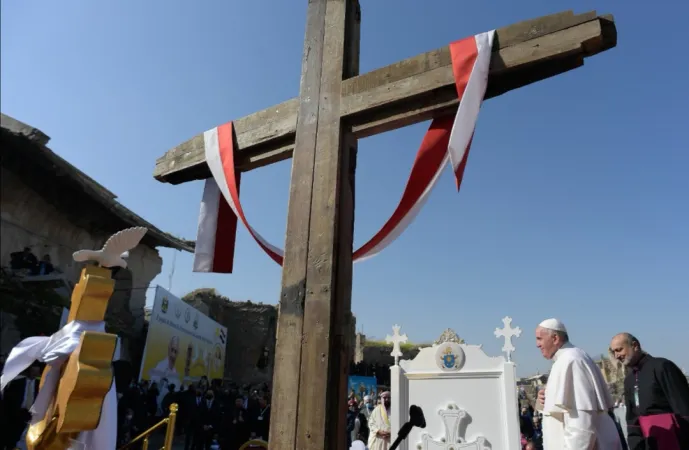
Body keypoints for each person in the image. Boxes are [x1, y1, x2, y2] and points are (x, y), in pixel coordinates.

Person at [535, 318, 623, 449]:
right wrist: (544, 401)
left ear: (555, 338)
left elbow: (582, 423)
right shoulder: (563, 360)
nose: (537, 344)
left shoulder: (572, 360)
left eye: (539, 338)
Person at [610, 332, 689, 449]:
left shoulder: (662, 366)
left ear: (635, 345)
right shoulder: (629, 380)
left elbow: (683, 407)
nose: (616, 356)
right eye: (614, 352)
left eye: (619, 350)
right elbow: (632, 420)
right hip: (649, 443)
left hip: (674, 439)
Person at [1, 363, 41, 450]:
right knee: (12, 440)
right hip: (17, 415)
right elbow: (7, 403)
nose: (34, 374)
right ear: (28, 371)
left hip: (32, 416)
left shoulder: (41, 385)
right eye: (33, 371)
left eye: (36, 372)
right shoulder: (16, 384)